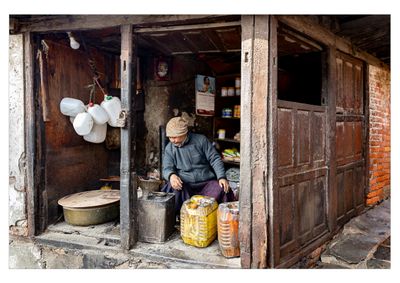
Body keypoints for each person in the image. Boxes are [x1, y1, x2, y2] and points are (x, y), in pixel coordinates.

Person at [161, 116, 234, 217]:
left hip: (206, 184)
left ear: (184, 133)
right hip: (185, 184)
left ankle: (219, 219)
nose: (172, 140)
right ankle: (178, 219)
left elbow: (215, 159)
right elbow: (167, 167)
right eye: (170, 137)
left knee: (222, 188)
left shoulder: (201, 140)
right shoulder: (170, 148)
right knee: (172, 188)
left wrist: (221, 177)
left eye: (175, 137)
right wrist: (171, 175)